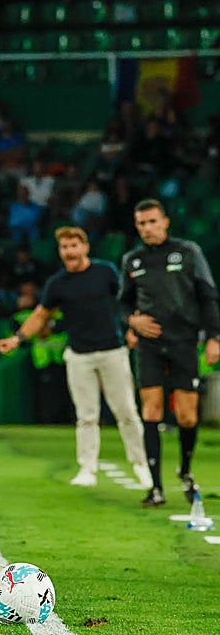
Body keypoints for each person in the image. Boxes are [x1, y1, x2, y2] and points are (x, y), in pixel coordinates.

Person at [0, 227, 151, 489]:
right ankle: (87, 469)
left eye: (74, 246)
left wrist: (133, 327)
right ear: (60, 251)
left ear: (85, 247)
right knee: (86, 416)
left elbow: (127, 301)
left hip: (113, 351)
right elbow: (41, 315)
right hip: (79, 355)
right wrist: (18, 338)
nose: (70, 251)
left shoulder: (106, 272)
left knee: (127, 412)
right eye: (65, 247)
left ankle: (142, 465)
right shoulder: (58, 284)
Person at [120, 199, 220, 507]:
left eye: (152, 222)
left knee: (188, 416)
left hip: (184, 341)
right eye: (141, 224)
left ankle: (185, 470)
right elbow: (123, 303)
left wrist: (214, 336)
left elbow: (208, 294)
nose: (147, 228)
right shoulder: (132, 260)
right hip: (149, 344)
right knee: (151, 411)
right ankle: (156, 487)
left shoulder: (189, 252)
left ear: (165, 222)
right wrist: (132, 320)